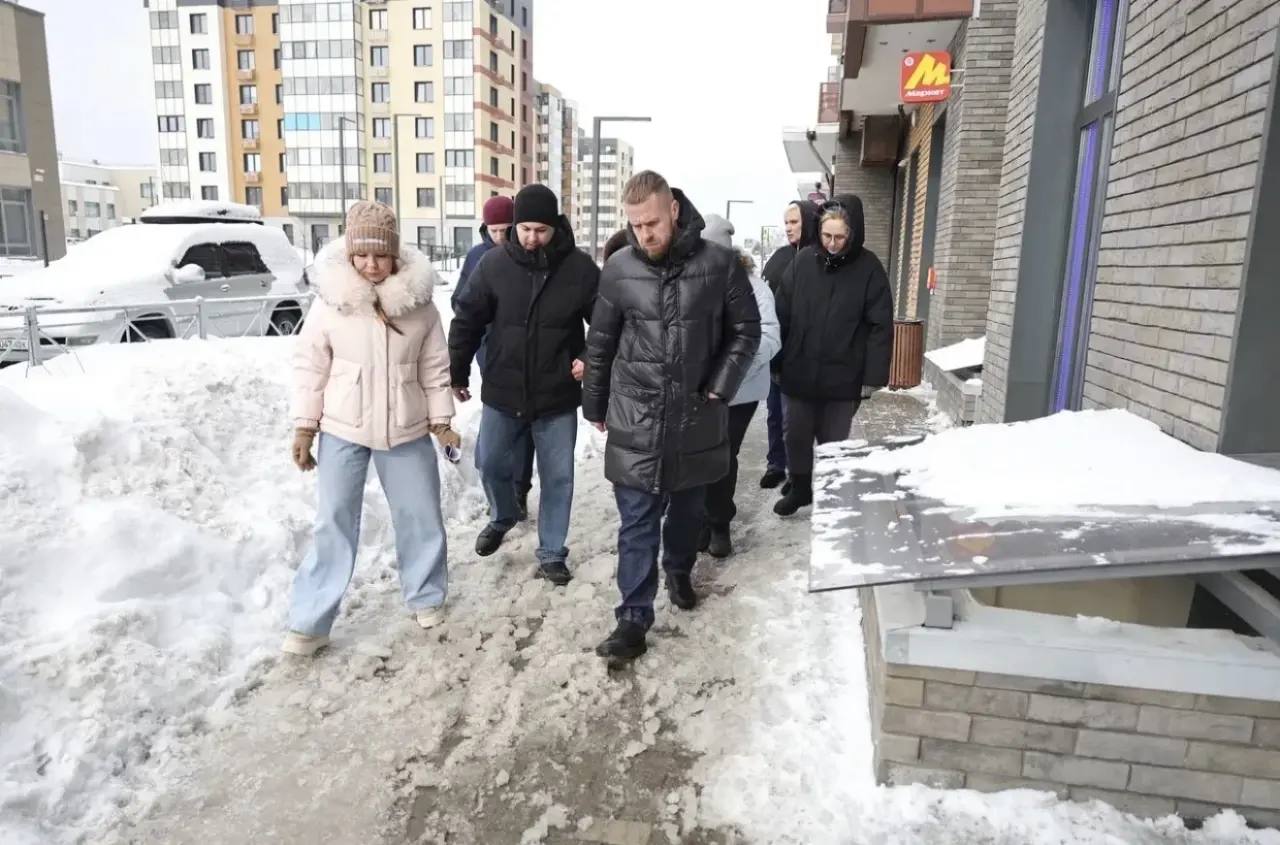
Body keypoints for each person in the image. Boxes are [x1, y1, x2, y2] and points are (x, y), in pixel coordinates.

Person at [583, 171, 761, 662]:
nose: (645, 234)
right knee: (637, 522)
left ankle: (678, 569)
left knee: (686, 512)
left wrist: (721, 386)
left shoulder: (719, 265)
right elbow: (601, 342)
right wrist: (594, 403)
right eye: (636, 225)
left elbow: (747, 331)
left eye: (653, 223)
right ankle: (632, 619)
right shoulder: (619, 268)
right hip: (635, 415)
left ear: (674, 210)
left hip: (696, 415)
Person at [286, 201, 459, 656]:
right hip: (343, 427)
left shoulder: (420, 306)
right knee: (334, 520)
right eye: (362, 255)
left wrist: (441, 421)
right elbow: (311, 366)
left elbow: (435, 367)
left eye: (380, 255)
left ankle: (426, 596)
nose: (371, 264)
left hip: (406, 427)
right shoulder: (331, 303)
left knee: (420, 514)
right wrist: (305, 427)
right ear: (349, 254)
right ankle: (310, 621)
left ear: (395, 254)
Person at [449, 184, 600, 585]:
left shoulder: (580, 269)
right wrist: (457, 371)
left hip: (556, 394)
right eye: (525, 229)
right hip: (503, 388)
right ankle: (503, 515)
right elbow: (467, 318)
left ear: (555, 228)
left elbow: (606, 322)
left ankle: (552, 552)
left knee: (558, 476)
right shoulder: (493, 265)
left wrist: (589, 356)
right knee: (489, 462)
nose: (532, 238)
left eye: (541, 230)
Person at [773, 195, 893, 517]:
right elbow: (781, 314)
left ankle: (829, 496)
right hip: (799, 369)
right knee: (795, 435)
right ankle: (800, 489)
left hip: (843, 374)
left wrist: (872, 377)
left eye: (840, 237)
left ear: (852, 234)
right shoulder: (802, 262)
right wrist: (776, 362)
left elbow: (880, 326)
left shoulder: (869, 268)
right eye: (827, 235)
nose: (832, 243)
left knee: (833, 442)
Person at [697, 214, 781, 559]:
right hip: (699, 389)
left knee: (722, 454)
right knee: (699, 454)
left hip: (741, 391)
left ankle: (719, 523)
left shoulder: (755, 288)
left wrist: (733, 369)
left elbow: (770, 337)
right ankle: (699, 521)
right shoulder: (691, 282)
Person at [451, 195, 535, 521]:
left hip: (525, 355)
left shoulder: (528, 254)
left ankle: (519, 490)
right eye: (494, 230)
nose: (500, 236)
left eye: (505, 229)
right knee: (498, 427)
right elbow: (461, 303)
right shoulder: (477, 257)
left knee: (523, 426)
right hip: (491, 356)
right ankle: (498, 495)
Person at [758, 200, 820, 491]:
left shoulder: (820, 259)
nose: (788, 228)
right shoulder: (779, 257)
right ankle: (776, 465)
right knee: (774, 414)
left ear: (809, 221)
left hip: (804, 355)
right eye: (786, 222)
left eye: (794, 222)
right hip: (775, 353)